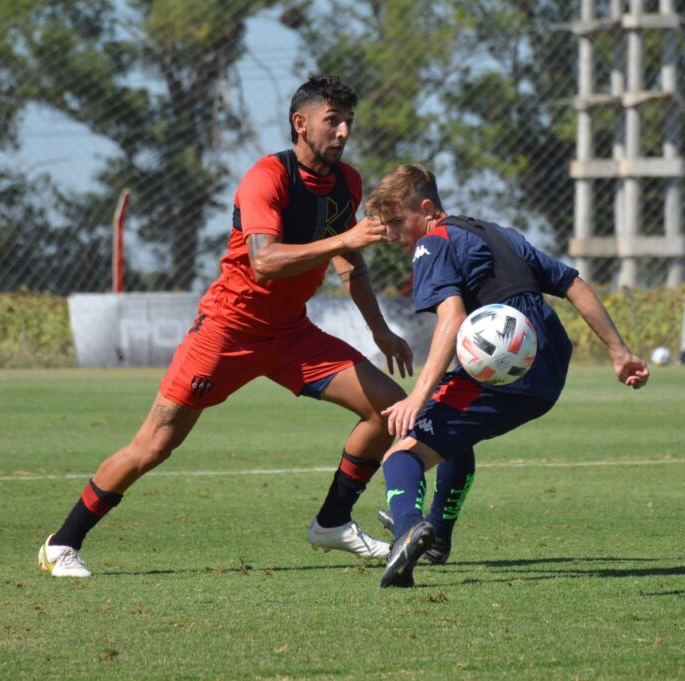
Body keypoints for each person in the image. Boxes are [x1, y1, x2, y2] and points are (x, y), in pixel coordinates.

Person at [38, 75, 414, 577]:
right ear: (300, 124)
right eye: (333, 121)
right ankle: (62, 543)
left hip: (291, 335)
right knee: (156, 444)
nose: (344, 132)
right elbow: (265, 261)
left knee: (389, 408)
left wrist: (379, 329)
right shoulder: (267, 177)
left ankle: (332, 522)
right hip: (227, 331)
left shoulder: (348, 182)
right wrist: (345, 239)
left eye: (349, 121)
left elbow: (349, 262)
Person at [364, 164, 649, 588]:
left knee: (402, 455)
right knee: (452, 433)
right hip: (548, 370)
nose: (391, 236)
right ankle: (437, 534)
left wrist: (416, 397)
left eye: (395, 223)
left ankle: (408, 526)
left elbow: (452, 317)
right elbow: (573, 283)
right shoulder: (501, 233)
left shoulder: (433, 242)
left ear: (425, 210)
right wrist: (619, 351)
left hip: (502, 370)